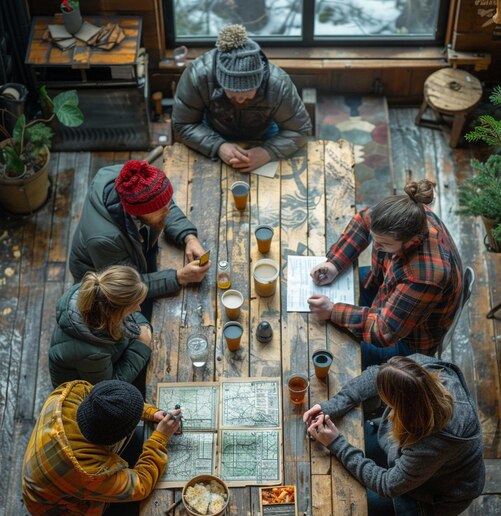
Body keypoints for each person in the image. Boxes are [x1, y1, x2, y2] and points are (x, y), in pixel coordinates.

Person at [303, 355, 485, 516]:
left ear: (403, 407)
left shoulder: (432, 443)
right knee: (358, 441)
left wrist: (336, 443)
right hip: (419, 461)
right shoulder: (423, 372)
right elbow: (377, 374)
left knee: (356, 499)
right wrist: (331, 407)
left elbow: (388, 485)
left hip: (437, 493)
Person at [307, 180, 463, 368]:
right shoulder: (409, 211)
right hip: (384, 287)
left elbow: (384, 332)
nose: (377, 246)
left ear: (411, 240)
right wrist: (334, 263)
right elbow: (363, 221)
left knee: (328, 352)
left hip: (407, 343)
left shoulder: (425, 277)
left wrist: (333, 311)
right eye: (375, 239)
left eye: (385, 244)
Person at [22, 379, 181, 516]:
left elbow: (108, 402)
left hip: (45, 464)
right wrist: (160, 438)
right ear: (117, 439)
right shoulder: (88, 472)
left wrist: (150, 412)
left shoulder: (70, 394)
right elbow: (141, 486)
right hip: (55, 507)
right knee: (143, 508)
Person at [69, 159, 210, 312]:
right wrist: (180, 277)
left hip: (131, 251)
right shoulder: (104, 240)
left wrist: (188, 237)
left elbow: (161, 202)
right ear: (137, 213)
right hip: (104, 280)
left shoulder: (132, 181)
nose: (168, 210)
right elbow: (127, 287)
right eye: (161, 209)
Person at [172, 24, 311, 172]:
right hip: (213, 130)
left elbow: (300, 130)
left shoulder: (278, 85)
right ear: (220, 81)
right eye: (232, 94)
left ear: (260, 82)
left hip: (265, 132)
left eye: (247, 95)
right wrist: (218, 146)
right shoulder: (197, 76)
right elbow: (183, 124)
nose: (239, 100)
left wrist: (268, 152)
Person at [49, 265, 152, 388]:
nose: (138, 309)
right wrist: (141, 346)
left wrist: (141, 325)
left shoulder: (97, 296)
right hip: (82, 394)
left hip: (99, 366)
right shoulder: (91, 353)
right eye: (133, 306)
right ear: (114, 313)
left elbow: (129, 317)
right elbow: (109, 386)